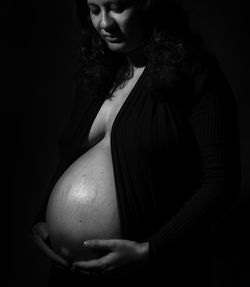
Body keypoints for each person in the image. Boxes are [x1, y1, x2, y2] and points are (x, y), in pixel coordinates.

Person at [32, 0, 241, 286]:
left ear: (149, 5)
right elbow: (68, 155)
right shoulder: (99, 76)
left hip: (149, 273)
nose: (105, 24)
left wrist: (149, 251)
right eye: (94, 10)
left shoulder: (194, 76)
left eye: (116, 7)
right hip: (70, 274)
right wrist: (43, 218)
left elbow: (222, 182)